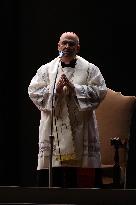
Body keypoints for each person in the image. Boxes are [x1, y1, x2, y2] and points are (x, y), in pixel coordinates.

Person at [28, 32, 108, 188]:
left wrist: (75, 89)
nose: (67, 46)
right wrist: (55, 90)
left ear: (78, 48)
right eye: (64, 43)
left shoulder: (90, 69)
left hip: (82, 127)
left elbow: (100, 91)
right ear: (58, 46)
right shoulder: (46, 70)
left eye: (72, 44)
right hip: (54, 126)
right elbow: (33, 92)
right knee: (54, 174)